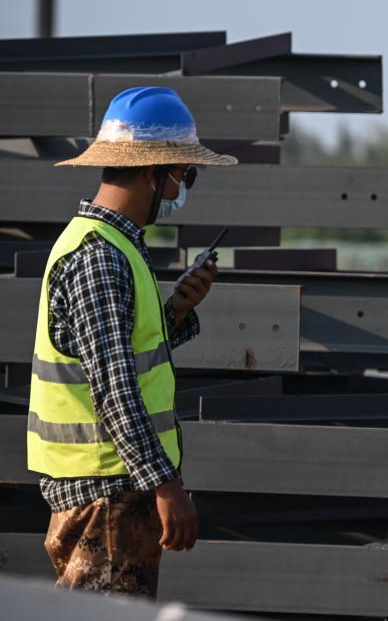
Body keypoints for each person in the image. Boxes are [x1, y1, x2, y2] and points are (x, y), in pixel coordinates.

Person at [27, 86, 238, 597]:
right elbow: (115, 389)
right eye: (183, 176)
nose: (181, 191)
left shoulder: (113, 245)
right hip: (107, 495)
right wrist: (167, 485)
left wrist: (175, 312)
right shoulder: (101, 256)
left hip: (112, 490)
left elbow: (115, 355)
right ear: (153, 172)